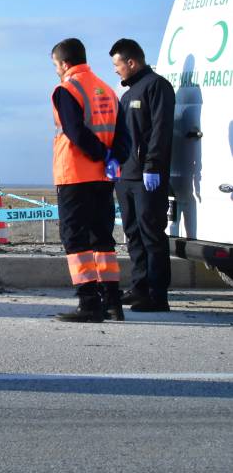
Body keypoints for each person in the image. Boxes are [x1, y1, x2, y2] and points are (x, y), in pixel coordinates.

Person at [50, 37, 128, 322]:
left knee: (75, 239)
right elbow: (123, 135)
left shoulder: (66, 89)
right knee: (102, 238)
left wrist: (98, 154)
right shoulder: (107, 90)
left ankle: (88, 303)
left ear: (65, 63)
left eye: (56, 65)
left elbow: (74, 131)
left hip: (75, 174)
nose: (57, 70)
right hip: (104, 177)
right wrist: (113, 157)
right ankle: (112, 302)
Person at [109, 38, 176, 312]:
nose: (116, 70)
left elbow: (161, 131)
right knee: (133, 234)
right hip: (126, 177)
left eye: (117, 64)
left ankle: (157, 295)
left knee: (151, 235)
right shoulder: (127, 94)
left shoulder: (157, 87)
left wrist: (153, 166)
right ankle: (139, 288)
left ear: (131, 62)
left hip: (148, 177)